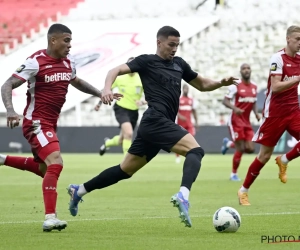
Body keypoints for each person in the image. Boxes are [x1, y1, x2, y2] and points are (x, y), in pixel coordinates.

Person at [67, 25, 237, 228]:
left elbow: (201, 84)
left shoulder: (179, 64)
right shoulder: (147, 61)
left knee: (124, 170)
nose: (174, 49)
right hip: (155, 120)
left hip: (155, 125)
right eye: (171, 44)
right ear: (159, 42)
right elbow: (115, 70)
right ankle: (183, 195)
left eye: (177, 45)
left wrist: (220, 83)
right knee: (196, 151)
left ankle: (80, 190)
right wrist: (106, 89)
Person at [0, 23, 122, 232]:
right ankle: (50, 217)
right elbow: (7, 84)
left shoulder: (68, 62)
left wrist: (100, 93)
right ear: (53, 40)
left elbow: (77, 81)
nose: (69, 45)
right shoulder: (35, 61)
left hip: (51, 123)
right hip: (36, 122)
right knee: (56, 161)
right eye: (66, 41)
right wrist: (10, 111)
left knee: (44, 168)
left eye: (70, 41)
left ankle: (3, 159)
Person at [237, 25, 300, 206]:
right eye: (297, 39)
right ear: (288, 39)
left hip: (294, 110)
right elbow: (276, 87)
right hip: (274, 113)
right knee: (264, 156)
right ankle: (243, 191)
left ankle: (284, 159)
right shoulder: (278, 58)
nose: (299, 43)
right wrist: (297, 79)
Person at [96, 57, 146, 156]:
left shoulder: (141, 78)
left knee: (121, 140)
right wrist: (99, 104)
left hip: (134, 111)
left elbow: (152, 95)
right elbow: (106, 90)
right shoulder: (120, 77)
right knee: (129, 133)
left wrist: (143, 102)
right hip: (121, 108)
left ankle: (107, 143)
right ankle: (126, 164)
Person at [220, 63, 260, 181]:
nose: (246, 70)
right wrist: (235, 108)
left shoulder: (254, 87)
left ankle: (227, 144)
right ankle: (233, 174)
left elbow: (253, 102)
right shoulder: (235, 86)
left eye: (248, 68)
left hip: (246, 122)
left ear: (251, 71)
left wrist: (256, 113)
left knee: (251, 149)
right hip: (235, 121)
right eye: (244, 68)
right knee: (241, 149)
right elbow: (225, 101)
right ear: (241, 72)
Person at [175, 83, 198, 164]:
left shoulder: (191, 100)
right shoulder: (179, 99)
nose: (186, 90)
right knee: (179, 140)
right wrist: (180, 116)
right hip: (181, 123)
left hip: (189, 123)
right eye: (184, 88)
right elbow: (175, 110)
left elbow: (194, 111)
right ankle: (177, 156)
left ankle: (190, 155)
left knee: (191, 138)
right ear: (182, 89)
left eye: (187, 88)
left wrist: (197, 122)